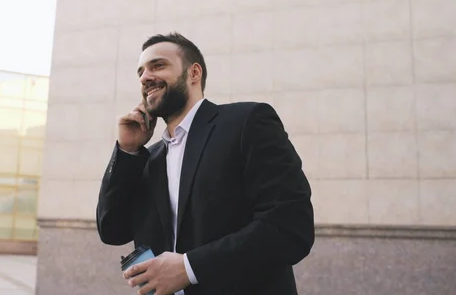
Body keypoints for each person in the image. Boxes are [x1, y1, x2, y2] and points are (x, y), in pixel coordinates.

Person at [96, 32, 315, 295]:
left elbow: (290, 227)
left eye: (158, 65)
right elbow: (112, 230)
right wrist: (128, 151)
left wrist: (188, 268)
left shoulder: (247, 122)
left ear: (194, 73)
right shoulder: (147, 158)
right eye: (141, 72)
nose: (144, 77)